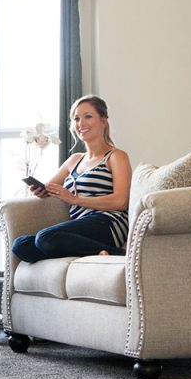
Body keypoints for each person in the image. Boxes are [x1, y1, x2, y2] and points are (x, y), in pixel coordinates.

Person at [12, 95, 132, 262]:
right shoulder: (74, 160)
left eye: (88, 116)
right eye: (76, 119)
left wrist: (75, 200)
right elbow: (50, 187)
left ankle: (122, 255)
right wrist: (41, 191)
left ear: (103, 120)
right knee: (21, 244)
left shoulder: (115, 156)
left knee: (46, 237)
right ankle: (97, 252)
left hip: (108, 223)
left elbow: (121, 201)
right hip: (80, 227)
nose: (80, 124)